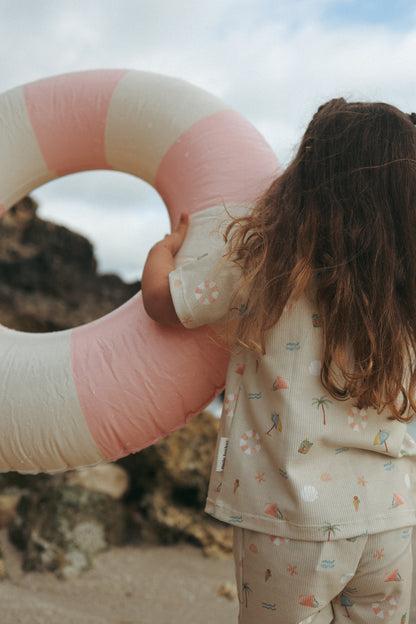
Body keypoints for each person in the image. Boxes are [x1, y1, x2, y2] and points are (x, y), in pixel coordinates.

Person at [141, 98, 416, 623]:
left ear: (304, 175)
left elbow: (162, 302)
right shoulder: (405, 293)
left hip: (290, 518)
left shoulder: (265, 261)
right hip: (393, 516)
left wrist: (166, 246)